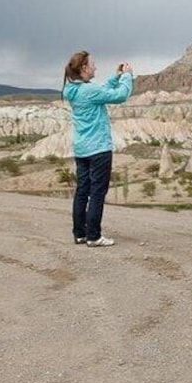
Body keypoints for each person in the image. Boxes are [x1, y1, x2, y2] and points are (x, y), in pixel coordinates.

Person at [62, 51, 134, 247]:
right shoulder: (88, 91)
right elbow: (120, 95)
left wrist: (115, 77)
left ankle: (80, 233)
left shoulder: (74, 90)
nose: (95, 68)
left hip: (82, 149)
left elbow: (100, 91)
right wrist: (127, 76)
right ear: (84, 68)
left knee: (82, 191)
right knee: (97, 193)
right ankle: (94, 236)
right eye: (93, 64)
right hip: (98, 149)